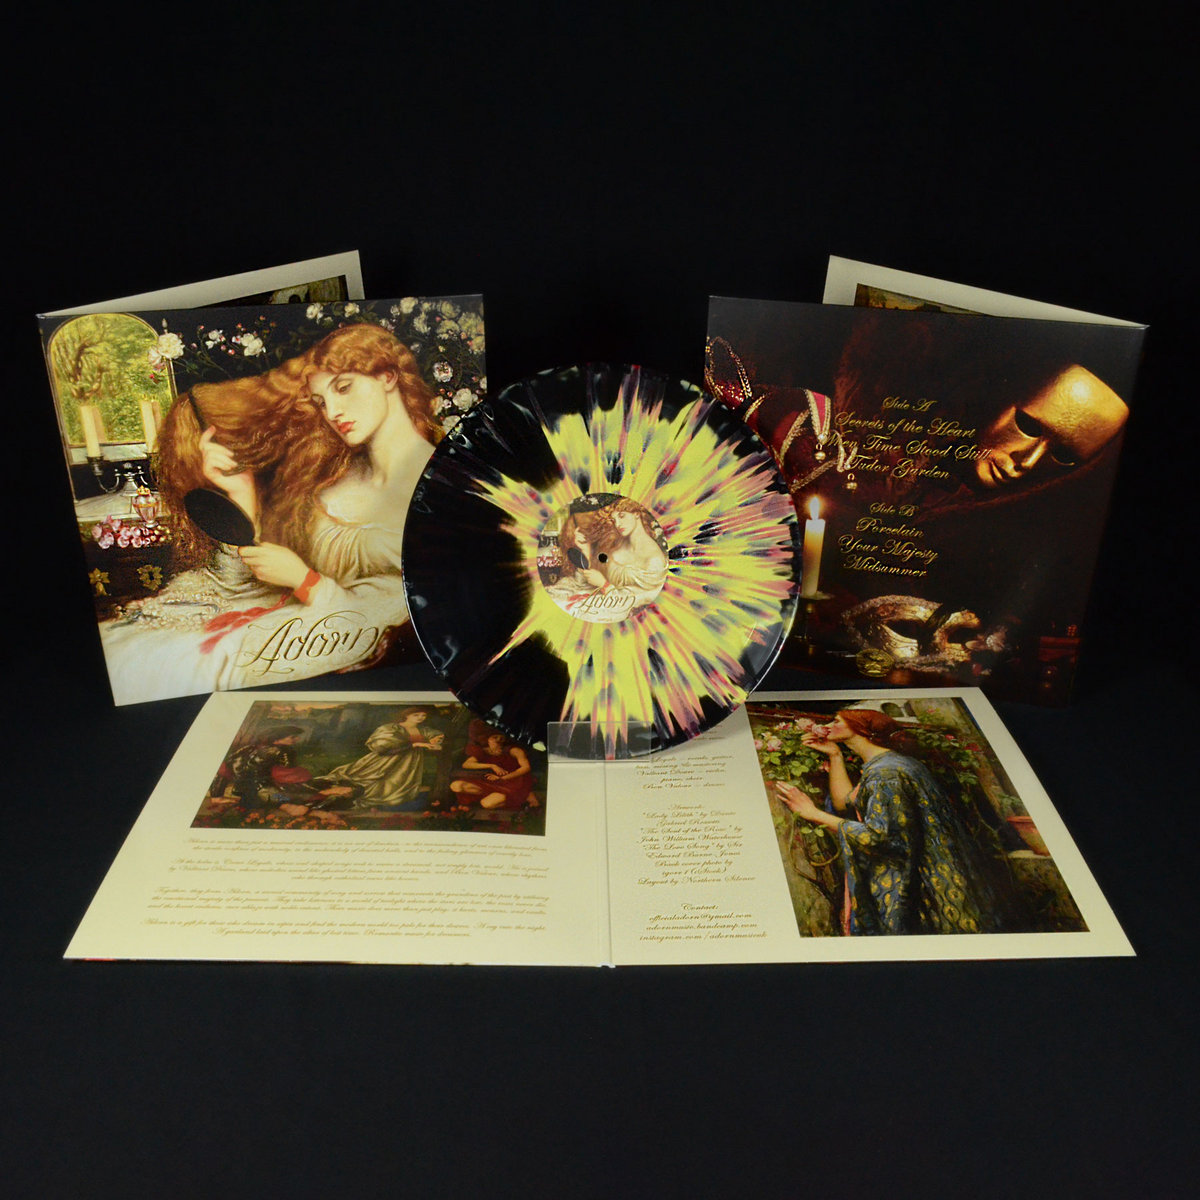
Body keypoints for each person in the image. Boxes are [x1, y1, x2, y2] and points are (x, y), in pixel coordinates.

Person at [100, 324, 443, 704]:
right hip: (287, 616)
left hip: (350, 640)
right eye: (320, 401)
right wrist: (242, 494)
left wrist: (307, 582)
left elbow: (412, 614)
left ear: (388, 377)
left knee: (176, 665)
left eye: (344, 388)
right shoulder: (329, 477)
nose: (333, 412)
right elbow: (244, 584)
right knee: (128, 651)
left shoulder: (443, 488)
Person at [774, 708, 1021, 935]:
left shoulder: (885, 774)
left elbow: (879, 836)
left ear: (861, 729)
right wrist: (836, 756)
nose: (828, 726)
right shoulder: (889, 763)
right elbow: (845, 803)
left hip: (922, 881)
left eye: (836, 721)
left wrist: (812, 813)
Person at [317, 708, 445, 811]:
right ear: (406, 715)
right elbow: (384, 747)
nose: (420, 717)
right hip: (386, 760)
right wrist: (415, 744)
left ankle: (389, 797)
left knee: (398, 781)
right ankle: (342, 796)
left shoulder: (422, 729)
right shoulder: (392, 728)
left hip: (409, 762)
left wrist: (435, 740)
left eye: (423, 715)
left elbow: (434, 736)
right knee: (371, 777)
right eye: (416, 715)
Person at [449, 722, 537, 810]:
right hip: (492, 781)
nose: (498, 740)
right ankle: (487, 796)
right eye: (494, 737)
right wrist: (492, 766)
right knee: (455, 786)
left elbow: (526, 768)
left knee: (486, 804)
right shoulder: (484, 751)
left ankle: (524, 797)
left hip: (512, 782)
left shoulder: (514, 750)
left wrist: (502, 778)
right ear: (487, 739)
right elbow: (466, 764)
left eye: (501, 738)